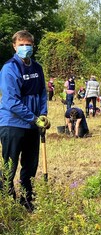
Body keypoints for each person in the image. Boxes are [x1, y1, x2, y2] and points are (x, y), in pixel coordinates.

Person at [0, 30, 51, 212]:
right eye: (21, 45)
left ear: (33, 46)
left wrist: (43, 115)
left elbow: (42, 94)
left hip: (32, 125)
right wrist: (34, 118)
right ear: (14, 46)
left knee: (30, 166)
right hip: (12, 124)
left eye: (28, 44)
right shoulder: (9, 68)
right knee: (9, 166)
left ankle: (27, 200)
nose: (24, 48)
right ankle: (7, 202)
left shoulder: (37, 68)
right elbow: (11, 101)